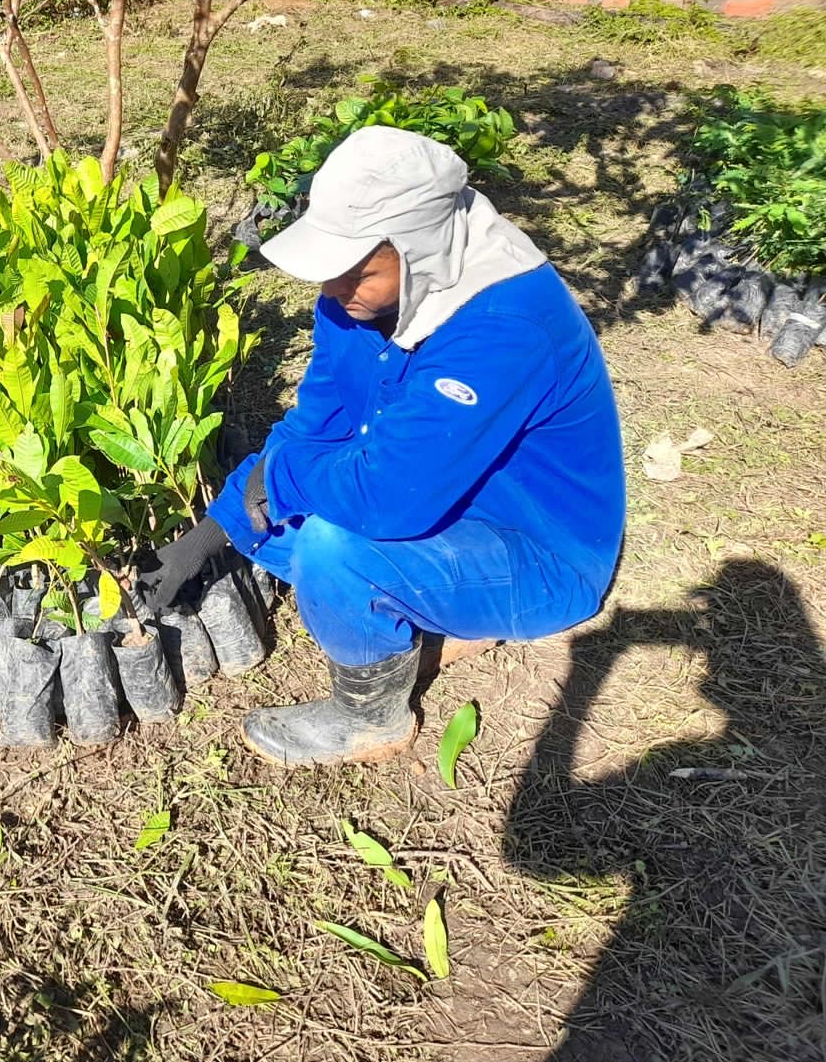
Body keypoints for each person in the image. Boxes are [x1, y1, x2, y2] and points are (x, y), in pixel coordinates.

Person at [139, 126, 626, 767]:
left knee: (334, 546)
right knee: (271, 528)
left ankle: (369, 717)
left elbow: (387, 501)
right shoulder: (361, 300)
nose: (332, 290)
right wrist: (206, 536)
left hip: (539, 553)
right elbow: (317, 424)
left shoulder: (504, 328)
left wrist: (282, 480)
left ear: (415, 245)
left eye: (353, 272)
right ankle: (442, 611)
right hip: (446, 502)